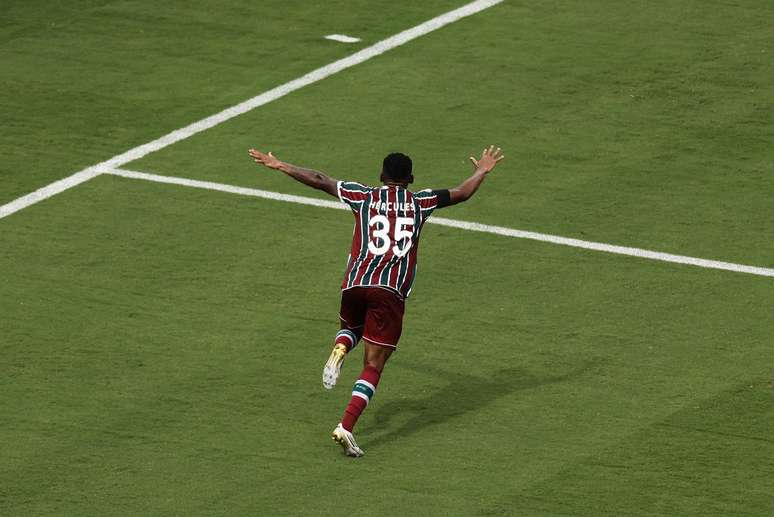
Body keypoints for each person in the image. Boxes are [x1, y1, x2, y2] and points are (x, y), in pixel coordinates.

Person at [247, 145, 504, 457]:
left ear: (381, 176)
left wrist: (279, 164)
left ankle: (341, 346)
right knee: (373, 364)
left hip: (355, 282)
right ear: (410, 178)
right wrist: (482, 170)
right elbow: (462, 193)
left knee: (352, 326)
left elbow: (319, 179)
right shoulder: (421, 202)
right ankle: (345, 426)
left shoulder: (363, 195)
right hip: (389, 291)